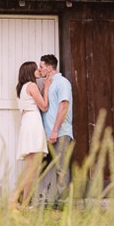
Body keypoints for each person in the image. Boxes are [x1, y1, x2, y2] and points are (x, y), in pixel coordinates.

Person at [12, 61, 51, 206]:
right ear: (30, 71)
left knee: (31, 166)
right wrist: (46, 88)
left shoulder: (21, 88)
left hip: (27, 123)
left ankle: (25, 202)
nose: (38, 71)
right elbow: (44, 106)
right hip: (33, 123)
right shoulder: (32, 85)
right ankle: (15, 198)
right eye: (36, 69)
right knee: (33, 167)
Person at [39, 54, 73, 205]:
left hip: (60, 133)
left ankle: (64, 204)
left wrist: (54, 131)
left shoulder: (62, 82)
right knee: (40, 167)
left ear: (49, 67)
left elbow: (64, 106)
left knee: (61, 169)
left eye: (41, 67)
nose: (40, 70)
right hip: (47, 135)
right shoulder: (48, 85)